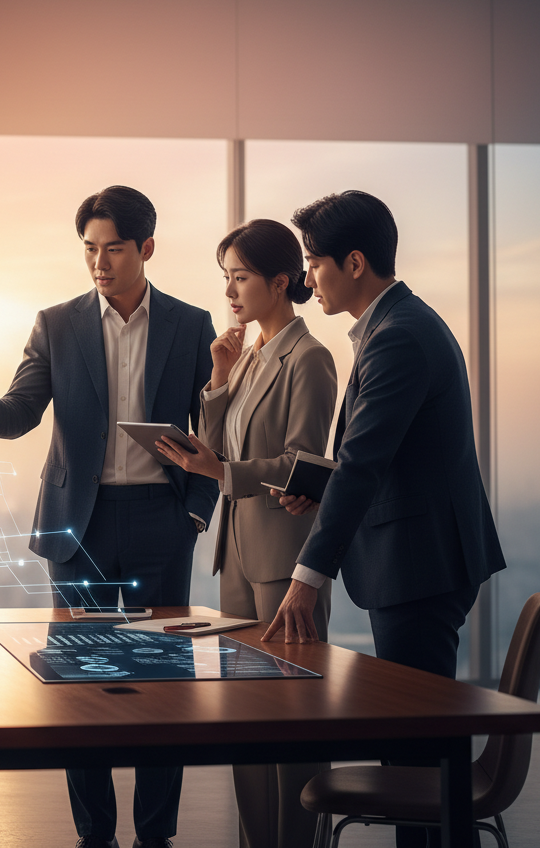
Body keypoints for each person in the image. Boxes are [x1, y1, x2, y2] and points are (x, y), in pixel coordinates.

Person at [0, 185, 218, 848]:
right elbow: (21, 412)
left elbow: (216, 427)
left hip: (161, 520)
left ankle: (156, 837)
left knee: (162, 692)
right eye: (90, 249)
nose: (99, 261)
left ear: (145, 248)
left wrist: (194, 516)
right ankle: (94, 837)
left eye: (113, 249)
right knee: (81, 690)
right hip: (79, 527)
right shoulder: (56, 323)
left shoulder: (191, 324)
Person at [262, 190, 506, 848]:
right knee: (417, 753)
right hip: (415, 557)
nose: (308, 277)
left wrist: (304, 578)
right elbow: (381, 455)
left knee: (420, 765)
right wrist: (319, 485)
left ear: (356, 262)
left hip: (419, 565)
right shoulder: (395, 326)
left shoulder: (396, 339)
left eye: (314, 263)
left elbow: (366, 465)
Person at [156, 218, 337, 848]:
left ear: (280, 281)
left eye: (241, 278)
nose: (230, 292)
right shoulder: (252, 352)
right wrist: (217, 382)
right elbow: (214, 450)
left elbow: (305, 465)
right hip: (235, 554)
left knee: (290, 719)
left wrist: (224, 470)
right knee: (247, 720)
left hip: (284, 559)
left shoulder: (308, 358)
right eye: (225, 278)